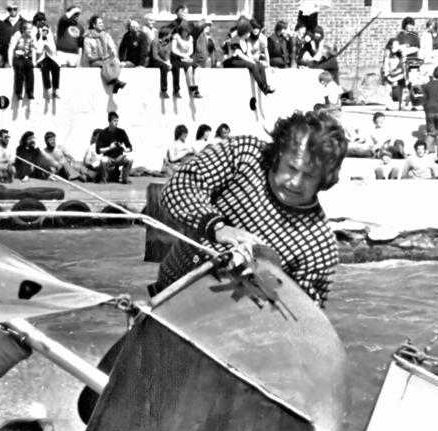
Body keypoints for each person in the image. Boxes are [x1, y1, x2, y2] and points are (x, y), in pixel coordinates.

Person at [150, 110, 347, 307]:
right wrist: (217, 228)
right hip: (165, 295)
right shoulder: (245, 154)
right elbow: (179, 186)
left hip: (225, 327)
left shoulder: (320, 246)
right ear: (279, 153)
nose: (295, 182)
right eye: (292, 168)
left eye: (309, 175)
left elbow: (303, 321)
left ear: (325, 178)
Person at [223, 21, 274, 95]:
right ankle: (262, 86)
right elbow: (239, 54)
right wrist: (250, 61)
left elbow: (248, 53)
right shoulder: (235, 39)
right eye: (249, 32)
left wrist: (253, 60)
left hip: (240, 60)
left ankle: (266, 86)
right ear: (245, 32)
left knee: (259, 65)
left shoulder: (246, 40)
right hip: (233, 60)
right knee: (253, 65)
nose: (250, 34)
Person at [83, 16, 126, 93]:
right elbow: (88, 55)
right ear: (94, 25)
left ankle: (114, 82)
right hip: (95, 61)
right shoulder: (88, 38)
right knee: (105, 64)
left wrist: (112, 54)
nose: (102, 24)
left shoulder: (106, 36)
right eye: (100, 23)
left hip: (106, 59)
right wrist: (100, 57)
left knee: (115, 63)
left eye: (102, 22)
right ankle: (115, 81)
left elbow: (112, 47)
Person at [95, 111, 134, 183]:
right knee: (103, 160)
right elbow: (98, 150)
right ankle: (104, 180)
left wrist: (125, 149)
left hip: (119, 157)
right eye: (114, 121)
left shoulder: (121, 132)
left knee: (130, 159)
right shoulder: (103, 133)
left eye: (117, 121)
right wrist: (110, 147)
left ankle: (125, 179)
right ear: (109, 121)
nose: (116, 123)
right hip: (108, 157)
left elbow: (130, 147)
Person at [171, 22, 201, 98]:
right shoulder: (176, 36)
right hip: (178, 58)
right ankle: (192, 89)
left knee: (195, 67)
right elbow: (174, 49)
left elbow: (191, 49)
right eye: (184, 31)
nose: (186, 33)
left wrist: (187, 56)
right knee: (189, 67)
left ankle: (195, 88)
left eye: (187, 32)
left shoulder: (190, 38)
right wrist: (183, 55)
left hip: (187, 57)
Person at [8, 21, 36, 100]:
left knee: (30, 68)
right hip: (18, 57)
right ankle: (18, 92)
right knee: (19, 69)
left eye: (31, 28)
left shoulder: (31, 36)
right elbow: (11, 49)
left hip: (26, 57)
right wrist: (10, 62)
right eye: (28, 29)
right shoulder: (17, 36)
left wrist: (34, 62)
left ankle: (30, 92)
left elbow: (33, 49)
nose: (30, 30)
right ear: (23, 29)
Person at [35, 20, 61, 99]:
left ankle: (56, 89)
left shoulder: (50, 37)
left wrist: (48, 42)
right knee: (45, 68)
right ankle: (48, 89)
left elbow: (53, 49)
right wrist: (42, 40)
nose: (45, 32)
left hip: (51, 57)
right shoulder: (37, 37)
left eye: (46, 30)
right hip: (42, 59)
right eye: (43, 30)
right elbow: (38, 51)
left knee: (56, 67)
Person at [148, 27, 173, 98]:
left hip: (163, 61)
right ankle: (164, 90)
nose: (170, 36)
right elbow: (155, 56)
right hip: (155, 61)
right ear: (165, 34)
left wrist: (168, 62)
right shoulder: (155, 42)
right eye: (169, 34)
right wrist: (165, 63)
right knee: (164, 67)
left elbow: (167, 55)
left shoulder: (168, 43)